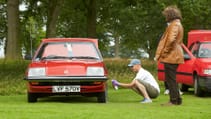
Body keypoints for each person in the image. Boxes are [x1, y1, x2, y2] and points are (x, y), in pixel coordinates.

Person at [154, 5, 184, 106]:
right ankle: (177, 100)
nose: (165, 16)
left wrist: (165, 52)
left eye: (166, 15)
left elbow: (171, 39)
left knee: (170, 79)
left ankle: (173, 100)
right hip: (174, 54)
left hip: (172, 55)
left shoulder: (174, 25)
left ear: (170, 15)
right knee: (172, 79)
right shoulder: (177, 24)